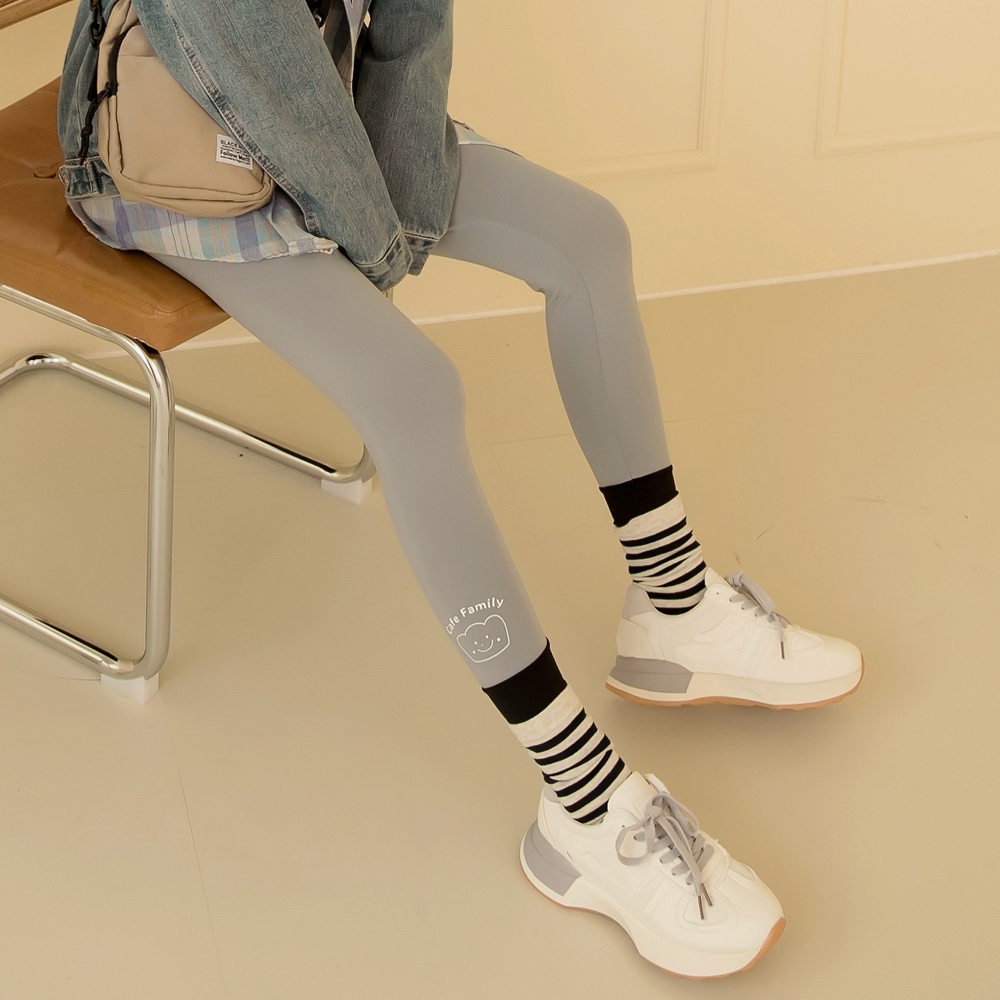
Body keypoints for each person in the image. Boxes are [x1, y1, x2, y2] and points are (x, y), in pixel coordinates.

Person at [57, 0, 863, 979]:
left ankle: (675, 605)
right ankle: (580, 801)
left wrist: (403, 184)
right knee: (414, 392)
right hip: (172, 141)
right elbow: (244, 48)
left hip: (329, 114)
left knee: (586, 238)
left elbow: (410, 18)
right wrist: (373, 232)